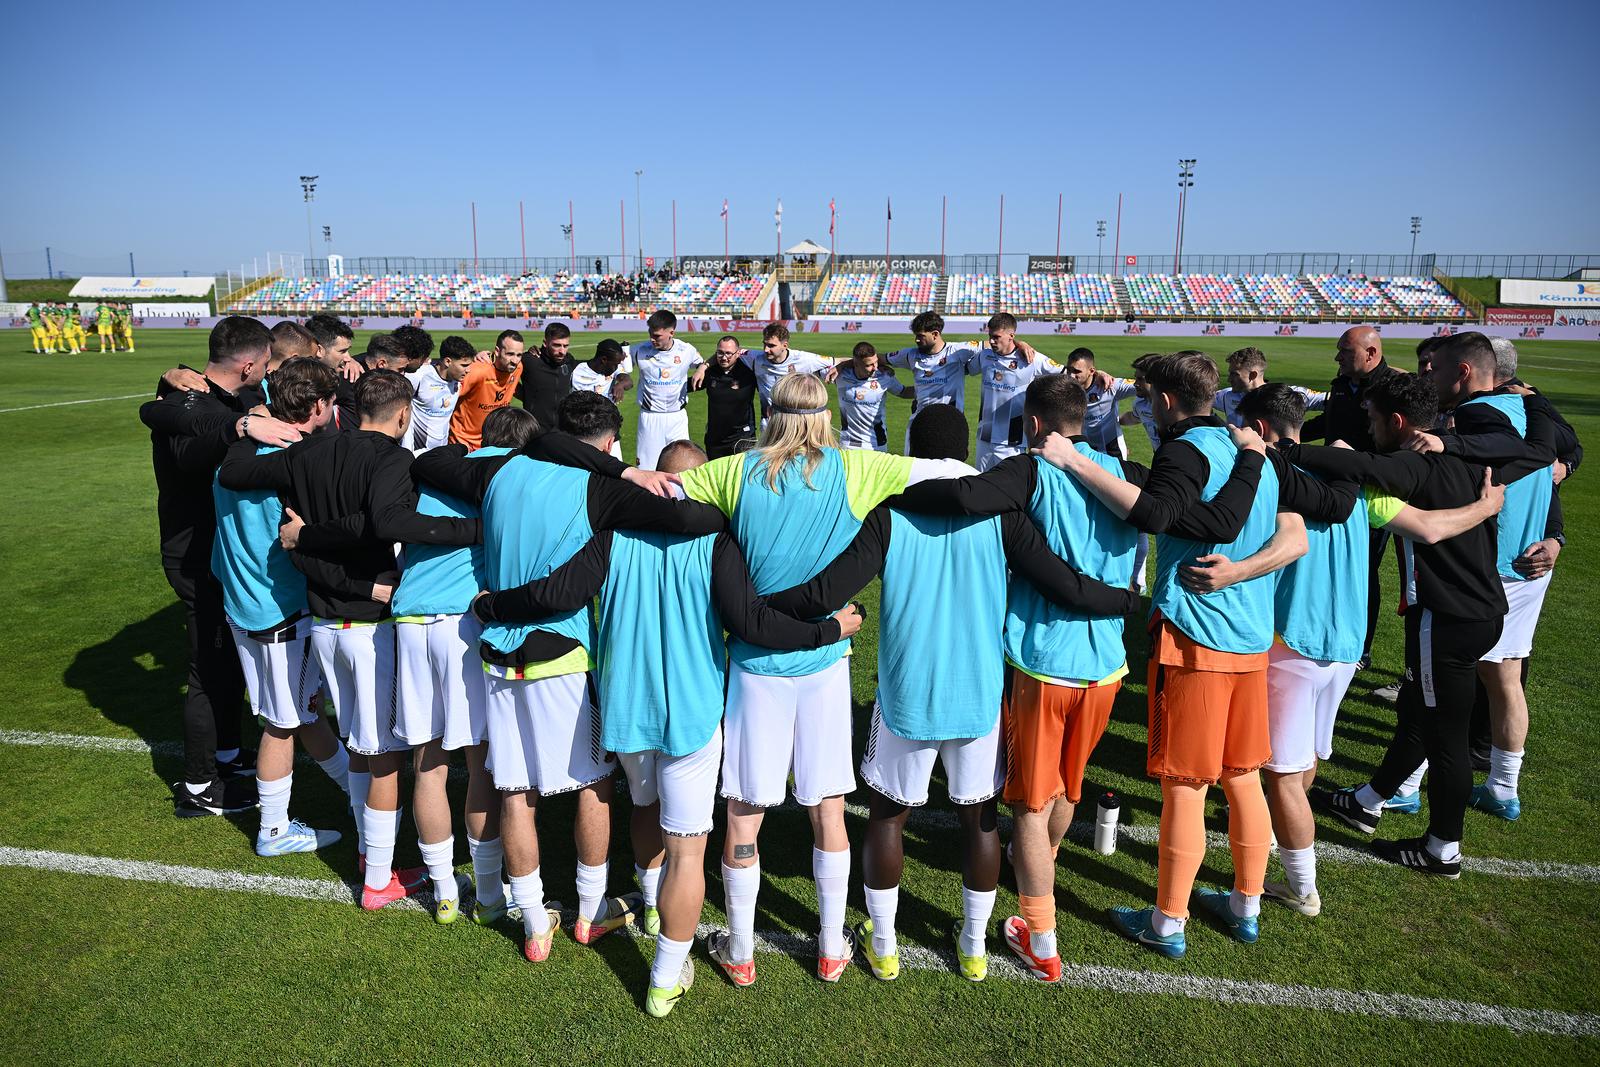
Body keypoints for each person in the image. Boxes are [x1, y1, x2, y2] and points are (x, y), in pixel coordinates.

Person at [471, 437, 860, 1016]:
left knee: (644, 805)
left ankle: (651, 906)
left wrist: (492, 605)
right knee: (688, 851)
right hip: (692, 715)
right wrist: (828, 630)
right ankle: (663, 977)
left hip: (627, 710)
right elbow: (750, 621)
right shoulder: (715, 540)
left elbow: (559, 591)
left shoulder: (613, 536)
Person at [769, 403, 1139, 984]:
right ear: (967, 450)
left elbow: (827, 590)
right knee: (980, 820)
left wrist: (763, 606)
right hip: (978, 693)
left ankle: (884, 945)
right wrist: (1124, 601)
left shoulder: (892, 510)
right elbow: (1061, 583)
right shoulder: (999, 513)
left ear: (912, 450)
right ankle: (972, 947)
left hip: (906, 691)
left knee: (888, 817)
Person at [675, 373, 973, 986]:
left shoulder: (735, 472)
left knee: (745, 811)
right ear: (824, 416)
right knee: (827, 808)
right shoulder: (856, 468)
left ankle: (740, 948)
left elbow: (669, 484)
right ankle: (832, 945)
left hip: (756, 663)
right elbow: (945, 471)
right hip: (825, 664)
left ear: (771, 412)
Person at [410, 415, 726, 963]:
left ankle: (534, 924)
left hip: (497, 656)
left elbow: (432, 461)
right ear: (603, 448)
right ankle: (590, 910)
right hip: (560, 654)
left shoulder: (500, 471)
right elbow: (684, 516)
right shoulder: (597, 489)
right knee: (593, 785)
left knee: (515, 792)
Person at [1213, 384, 1505, 913]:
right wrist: (1484, 508)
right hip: (1345, 645)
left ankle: (1300, 886)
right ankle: (1277, 833)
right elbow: (1428, 527)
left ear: (1259, 430)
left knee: (1281, 774)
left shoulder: (1271, 478)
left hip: (1293, 641)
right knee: (1302, 760)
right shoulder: (1360, 481)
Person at [1034, 351, 1280, 957]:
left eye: (1147, 398)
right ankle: (1246, 903)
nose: (1144, 407)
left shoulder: (1188, 450)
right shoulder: (1252, 451)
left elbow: (1154, 512)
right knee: (1243, 775)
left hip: (1198, 635)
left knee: (1186, 785)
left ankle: (1168, 921)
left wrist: (1073, 461)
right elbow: (1288, 528)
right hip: (1253, 636)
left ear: (1166, 401)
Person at [219, 370, 484, 909]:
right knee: (383, 756)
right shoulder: (393, 460)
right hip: (370, 627)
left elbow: (235, 471)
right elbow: (385, 524)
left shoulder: (306, 452)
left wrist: (246, 427)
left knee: (362, 747)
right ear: (405, 414)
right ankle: (378, 880)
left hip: (324, 623)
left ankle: (368, 854)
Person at [1288, 360, 1552, 876]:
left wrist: (1282, 450)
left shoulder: (1414, 467)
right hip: (1482, 613)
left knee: (1445, 738)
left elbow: (1357, 467)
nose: (1369, 429)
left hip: (1445, 618)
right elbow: (1539, 449)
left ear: (1399, 422)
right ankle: (1369, 801)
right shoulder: (1469, 459)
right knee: (1418, 712)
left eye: (1373, 419)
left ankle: (1442, 850)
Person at [140, 316, 302, 817]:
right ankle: (197, 786)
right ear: (250, 364)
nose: (269, 371)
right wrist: (241, 425)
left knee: (228, 658)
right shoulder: (186, 404)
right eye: (267, 363)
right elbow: (179, 436)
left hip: (220, 554)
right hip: (193, 556)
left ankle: (228, 755)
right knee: (207, 666)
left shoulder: (227, 395)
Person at [383, 406, 540, 923]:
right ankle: (490, 895)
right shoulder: (512, 481)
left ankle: (445, 891)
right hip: (461, 624)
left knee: (427, 761)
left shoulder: (437, 472)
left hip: (410, 619)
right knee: (479, 761)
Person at [208, 357, 354, 855]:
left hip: (245, 600)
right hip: (278, 606)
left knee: (303, 710)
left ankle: (357, 795)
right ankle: (273, 829)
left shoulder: (240, 451)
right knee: (282, 721)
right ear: (317, 406)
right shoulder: (293, 460)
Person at [1301, 325, 1399, 669]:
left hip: (1373, 495)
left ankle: (1362, 648)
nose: (1337, 357)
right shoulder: (1342, 384)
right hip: (1333, 488)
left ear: (1371, 353)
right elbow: (1328, 422)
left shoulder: (1392, 388)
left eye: (1345, 351)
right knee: (1331, 565)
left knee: (1364, 570)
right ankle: (1329, 634)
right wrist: (1291, 434)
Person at [972, 313, 1061, 471]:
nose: (991, 341)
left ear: (1011, 336)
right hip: (984, 437)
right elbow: (962, 367)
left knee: (1009, 485)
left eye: (996, 337)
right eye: (990, 336)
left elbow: (1067, 373)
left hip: (1013, 441)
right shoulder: (985, 356)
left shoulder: (1031, 359)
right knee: (980, 482)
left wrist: (1097, 374)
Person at [884, 311, 979, 450]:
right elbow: (876, 358)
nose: (916, 340)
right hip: (920, 425)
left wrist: (1017, 347)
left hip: (951, 426)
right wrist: (851, 363)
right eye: (916, 336)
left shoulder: (957, 351)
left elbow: (993, 344)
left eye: (920, 336)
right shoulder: (910, 354)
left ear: (935, 334)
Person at [628, 310, 704, 470]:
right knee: (647, 468)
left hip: (677, 417)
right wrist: (622, 379)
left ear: (671, 333)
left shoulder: (687, 350)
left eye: (657, 336)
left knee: (681, 466)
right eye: (650, 334)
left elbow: (702, 363)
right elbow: (618, 363)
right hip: (650, 417)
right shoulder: (639, 350)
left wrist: (702, 368)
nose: (652, 339)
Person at [723, 322, 836, 426]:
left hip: (794, 424)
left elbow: (837, 361)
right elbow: (727, 353)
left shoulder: (803, 359)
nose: (766, 349)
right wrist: (709, 366)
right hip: (768, 425)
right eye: (765, 344)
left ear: (785, 345)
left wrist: (840, 366)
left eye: (771, 346)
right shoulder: (755, 358)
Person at [1212, 347, 1327, 427]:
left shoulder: (1287, 396)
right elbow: (1203, 397)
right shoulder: (1227, 396)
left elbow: (1329, 399)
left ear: (1253, 375)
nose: (1229, 379)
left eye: (1235, 374)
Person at [448, 329, 524, 449]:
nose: (515, 360)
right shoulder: (477, 371)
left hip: (493, 442)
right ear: (497, 351)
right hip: (463, 443)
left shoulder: (518, 368)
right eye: (510, 354)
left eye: (519, 355)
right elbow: (447, 397)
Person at [834, 341, 913, 452]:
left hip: (877, 444)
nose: (875, 368)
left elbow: (903, 392)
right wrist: (840, 365)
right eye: (869, 365)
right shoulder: (840, 375)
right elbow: (814, 365)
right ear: (855, 364)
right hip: (848, 444)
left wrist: (928, 390)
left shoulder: (884, 377)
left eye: (876, 362)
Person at [693, 335, 758, 459]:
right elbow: (687, 386)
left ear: (737, 354)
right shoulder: (710, 372)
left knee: (741, 471)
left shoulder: (749, 373)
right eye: (720, 353)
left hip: (742, 438)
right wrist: (702, 367)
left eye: (728, 353)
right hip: (715, 440)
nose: (724, 357)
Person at [569, 338, 634, 460]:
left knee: (615, 468)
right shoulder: (576, 370)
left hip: (609, 433)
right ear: (604, 360)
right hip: (584, 433)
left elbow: (628, 381)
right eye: (615, 363)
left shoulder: (614, 369)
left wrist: (620, 385)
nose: (617, 367)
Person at [1064, 347, 1136, 456]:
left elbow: (1143, 384)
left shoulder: (1109, 386)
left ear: (1091, 371)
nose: (1071, 375)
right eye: (1068, 370)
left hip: (1113, 452)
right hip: (1085, 452)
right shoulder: (1064, 387)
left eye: (1077, 371)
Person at [409, 336, 476, 451]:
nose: (468, 370)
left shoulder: (458, 380)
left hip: (441, 452)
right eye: (464, 365)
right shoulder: (420, 376)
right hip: (417, 453)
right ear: (448, 361)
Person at [516, 322, 577, 432]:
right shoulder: (529, 360)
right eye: (557, 345)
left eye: (565, 346)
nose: (562, 351)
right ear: (545, 343)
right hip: (534, 431)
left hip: (562, 430)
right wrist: (526, 395)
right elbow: (501, 369)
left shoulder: (569, 360)